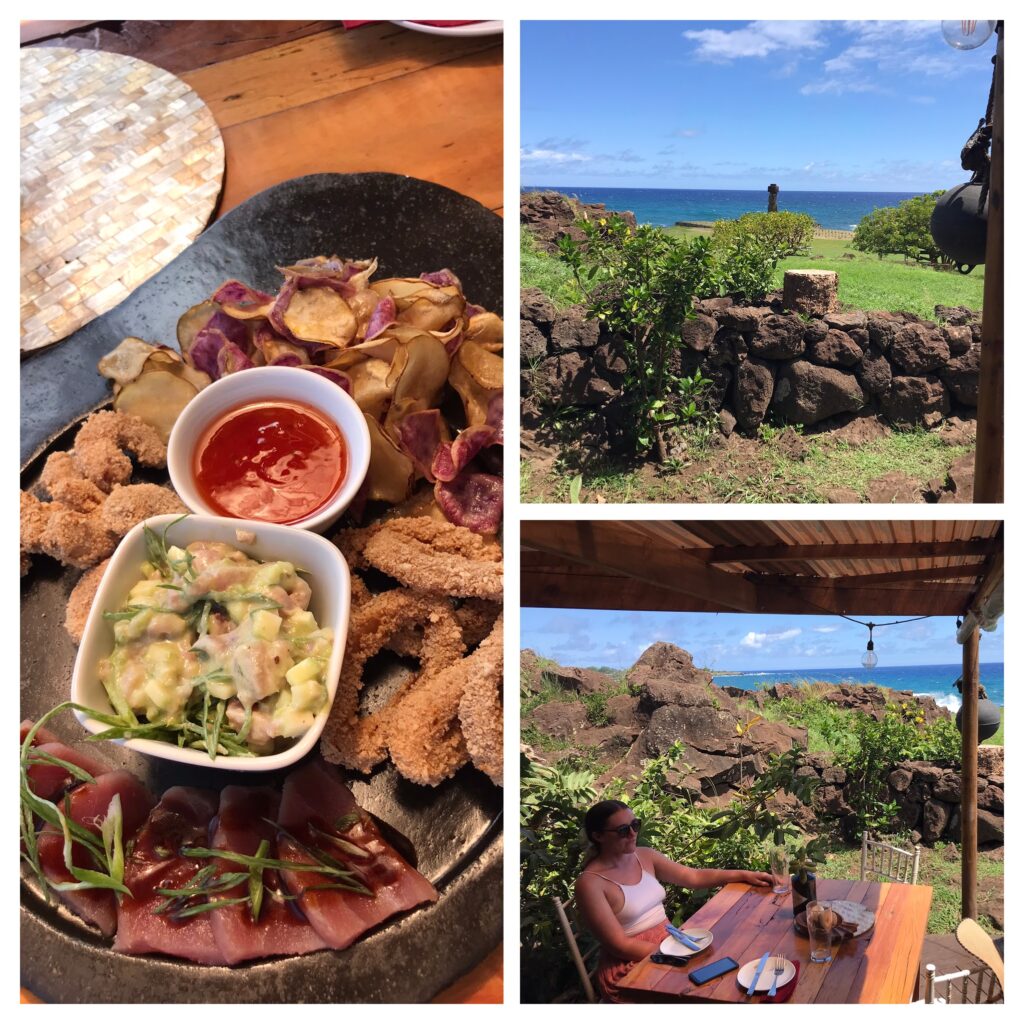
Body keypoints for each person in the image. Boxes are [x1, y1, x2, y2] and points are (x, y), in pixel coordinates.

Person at [575, 799, 773, 1002]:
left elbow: (693, 877)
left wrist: (742, 874)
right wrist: (676, 954)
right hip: (633, 965)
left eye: (635, 825)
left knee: (737, 960)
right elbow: (620, 945)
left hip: (672, 942)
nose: (633, 834)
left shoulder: (644, 856)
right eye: (623, 830)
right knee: (714, 990)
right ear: (598, 836)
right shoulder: (590, 884)